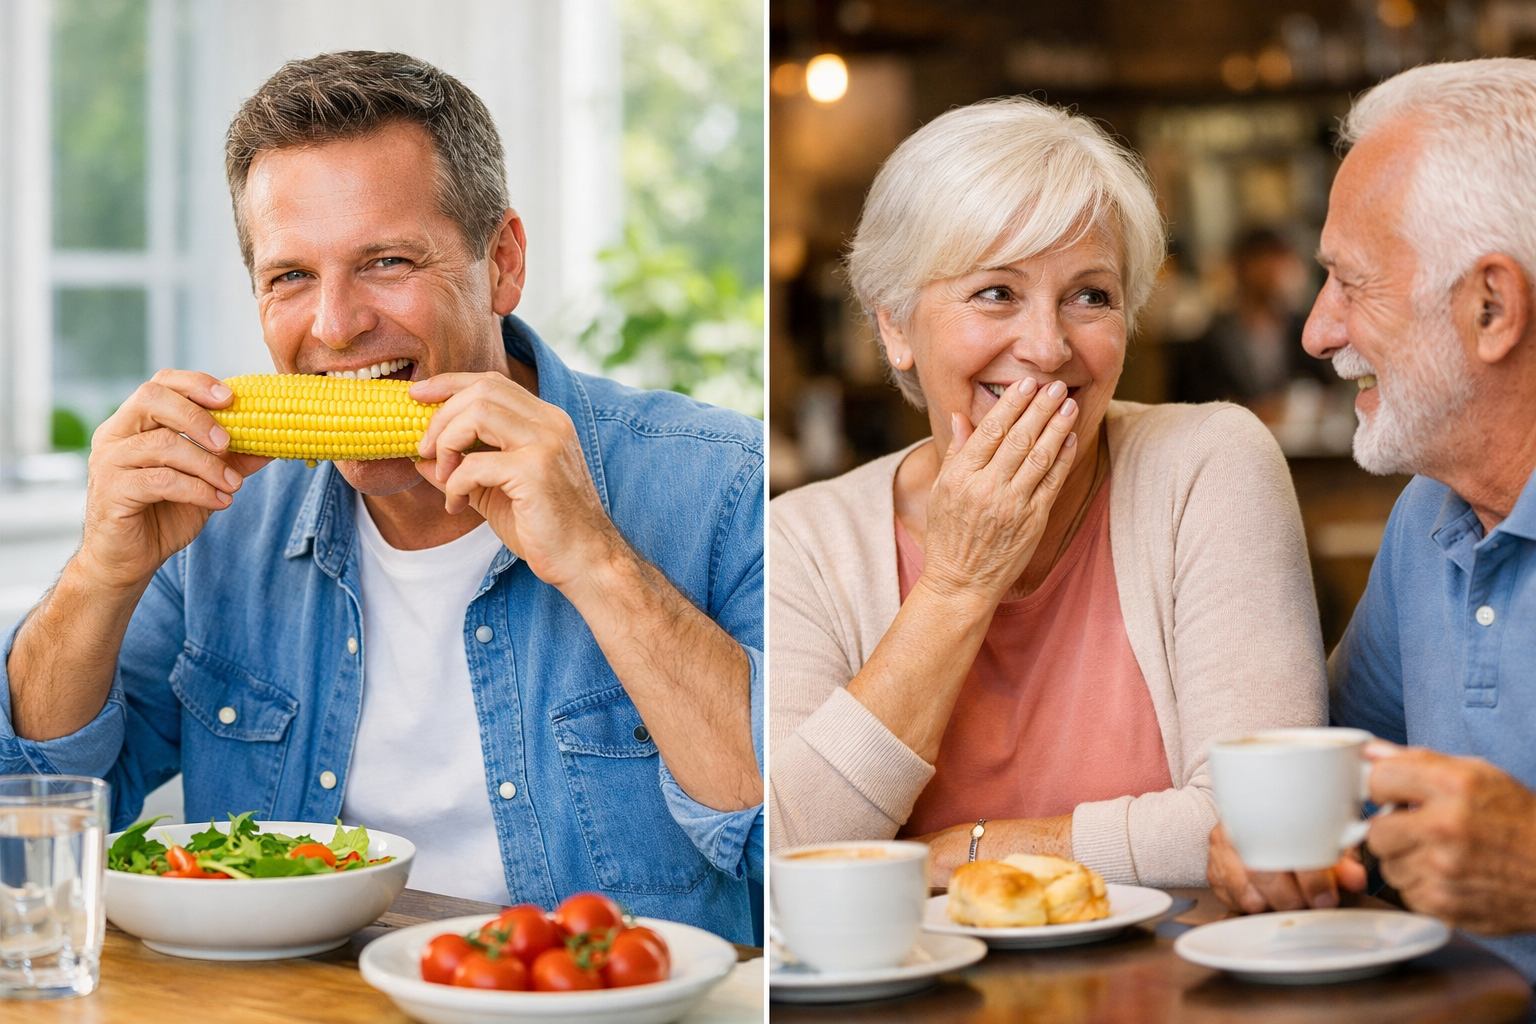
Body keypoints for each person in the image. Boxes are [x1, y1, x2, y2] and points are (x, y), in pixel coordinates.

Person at [0, 51, 762, 942]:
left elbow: (780, 837)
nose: (335, 325)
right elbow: (30, 814)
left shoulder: (720, 483)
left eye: (387, 261)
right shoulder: (219, 518)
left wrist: (598, 561)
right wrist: (102, 571)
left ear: (502, 263)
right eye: (290, 276)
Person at [769, 96, 1327, 889]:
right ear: (894, 326)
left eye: (1090, 296)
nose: (1047, 346)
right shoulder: (804, 541)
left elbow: (1262, 821)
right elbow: (788, 856)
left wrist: (970, 851)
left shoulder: (1209, 464)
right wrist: (960, 584)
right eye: (996, 291)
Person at [1205, 58, 1536, 980]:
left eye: (1352, 283)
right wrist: (1270, 844)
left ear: (1491, 305)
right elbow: (1340, 792)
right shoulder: (1425, 520)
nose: (1317, 331)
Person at [1168, 228, 1334, 418]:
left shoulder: (1305, 331)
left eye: (1284, 259)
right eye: (1268, 259)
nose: (1279, 271)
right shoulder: (1209, 341)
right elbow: (1194, 405)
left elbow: (1329, 393)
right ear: (1242, 266)